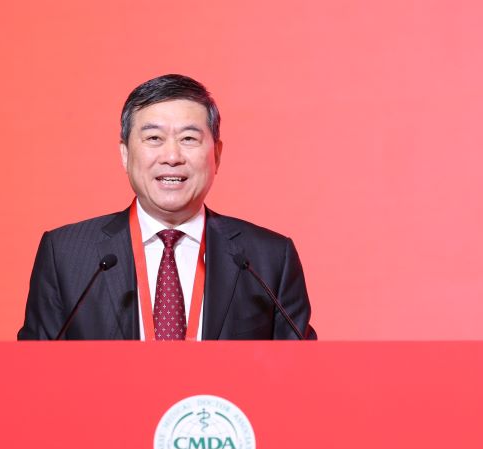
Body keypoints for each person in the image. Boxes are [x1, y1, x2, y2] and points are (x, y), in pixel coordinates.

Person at [17, 74, 316, 340]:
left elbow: (302, 375)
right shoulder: (65, 256)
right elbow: (33, 373)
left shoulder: (267, 259)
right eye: (154, 138)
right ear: (125, 154)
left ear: (217, 155)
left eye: (189, 138)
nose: (172, 156)